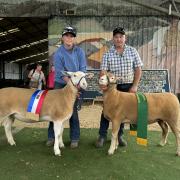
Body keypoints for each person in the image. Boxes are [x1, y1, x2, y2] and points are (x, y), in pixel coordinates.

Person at [96, 27, 143, 148]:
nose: (119, 39)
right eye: (116, 37)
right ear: (113, 39)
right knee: (106, 111)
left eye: (121, 37)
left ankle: (119, 135)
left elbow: (138, 69)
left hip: (128, 86)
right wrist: (104, 84)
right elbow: (103, 71)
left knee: (123, 112)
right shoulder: (107, 53)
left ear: (125, 38)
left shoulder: (133, 51)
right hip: (112, 88)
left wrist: (135, 86)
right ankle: (102, 135)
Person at [46, 26, 87, 148]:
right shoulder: (58, 53)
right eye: (66, 36)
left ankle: (74, 138)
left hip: (76, 82)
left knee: (72, 110)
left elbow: (83, 69)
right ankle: (51, 137)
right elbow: (59, 72)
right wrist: (71, 85)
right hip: (61, 82)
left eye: (71, 36)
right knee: (55, 110)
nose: (69, 38)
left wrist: (77, 85)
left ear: (74, 38)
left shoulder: (79, 51)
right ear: (62, 38)